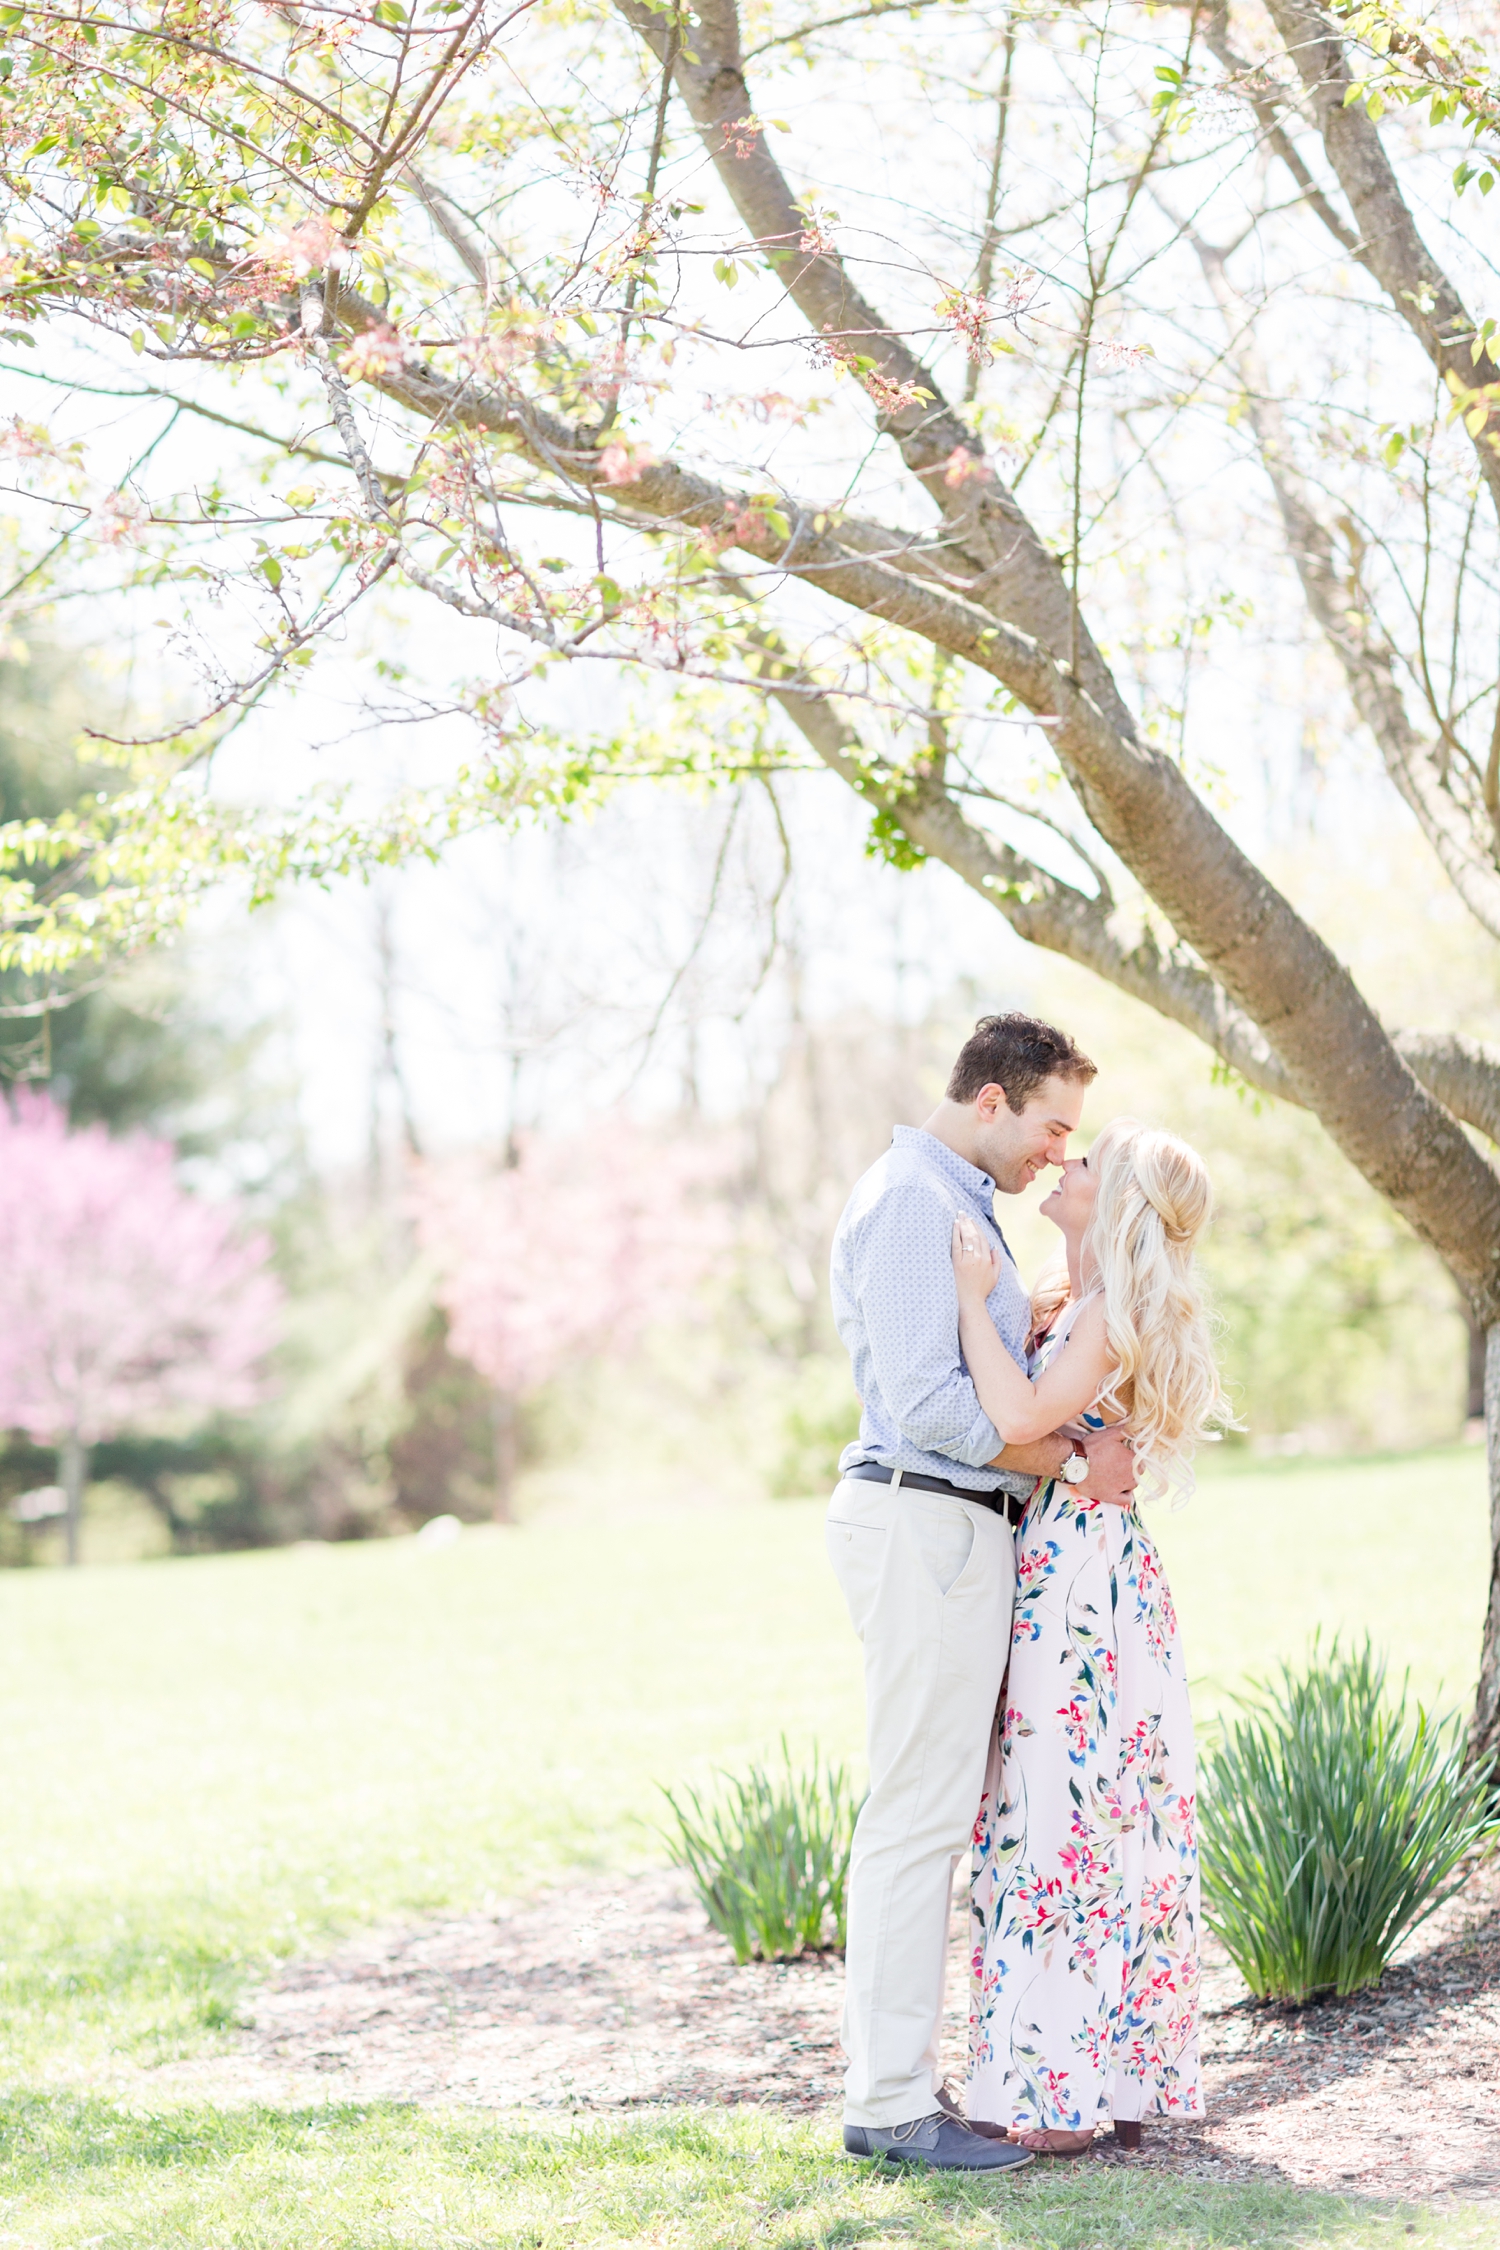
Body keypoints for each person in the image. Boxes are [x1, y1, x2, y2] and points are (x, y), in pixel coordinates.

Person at [827, 1013, 1137, 2173]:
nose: (1060, 1154)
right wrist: (1066, 1460)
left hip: (953, 1527)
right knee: (915, 1818)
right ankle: (895, 2108)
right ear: (993, 1100)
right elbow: (929, 1406)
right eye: (1053, 1125)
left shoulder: (955, 1207)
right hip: (926, 1519)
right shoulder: (920, 1201)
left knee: (930, 1812)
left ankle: (899, 2086)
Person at [952, 1116, 1233, 2155]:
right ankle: (1093, 2079)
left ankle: (1051, 2098)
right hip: (1093, 1571)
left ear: (1110, 1200)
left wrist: (972, 1308)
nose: (1060, 1169)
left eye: (1081, 1165)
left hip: (1080, 1585)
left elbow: (1020, 1406)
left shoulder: (1108, 1313)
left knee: (1059, 1812)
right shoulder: (1083, 1301)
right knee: (1094, 1811)